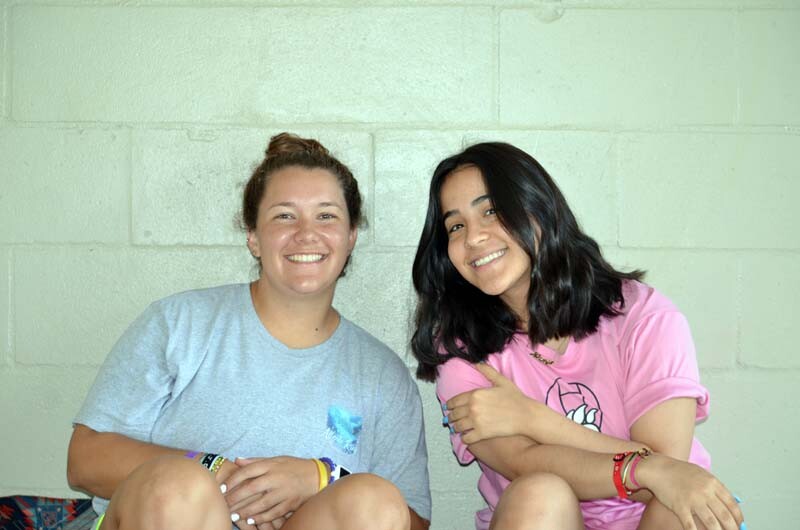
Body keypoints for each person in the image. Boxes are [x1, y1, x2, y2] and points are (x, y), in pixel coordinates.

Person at [67, 133, 431, 530]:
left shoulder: (382, 376)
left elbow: (408, 519)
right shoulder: (179, 323)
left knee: (373, 500)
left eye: (326, 216)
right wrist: (211, 468)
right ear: (254, 237)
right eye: (284, 216)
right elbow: (85, 460)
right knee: (179, 485)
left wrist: (321, 477)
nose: (306, 233)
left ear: (351, 237)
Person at [411, 141, 744, 530]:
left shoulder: (643, 316)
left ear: (538, 207)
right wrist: (645, 468)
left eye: (491, 211)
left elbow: (667, 474)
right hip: (543, 518)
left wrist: (533, 419)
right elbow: (520, 462)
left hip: (656, 516)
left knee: (684, 508)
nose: (473, 237)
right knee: (540, 492)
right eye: (455, 226)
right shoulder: (461, 348)